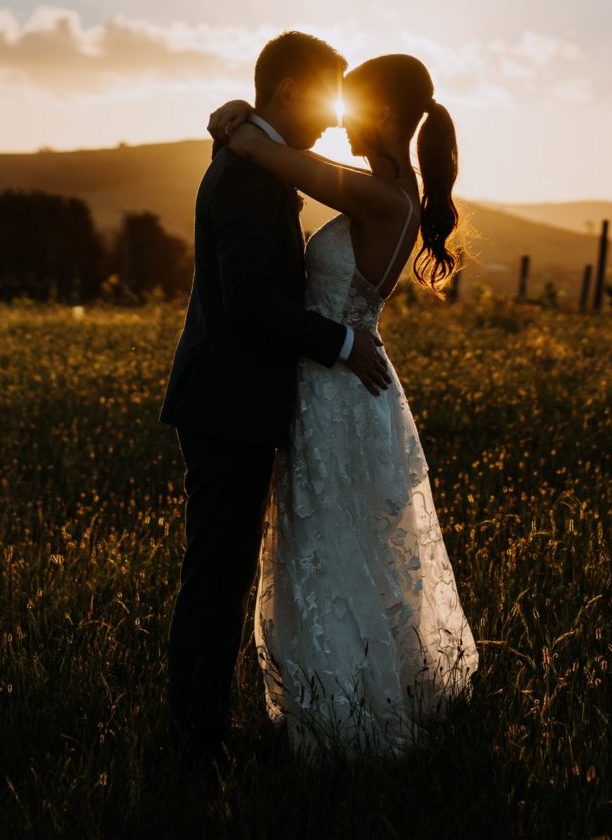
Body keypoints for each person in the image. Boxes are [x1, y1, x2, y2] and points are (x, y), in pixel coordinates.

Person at [205, 52, 479, 763]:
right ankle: (340, 698)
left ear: (383, 113)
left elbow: (266, 152)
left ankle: (347, 722)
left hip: (336, 389)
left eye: (349, 106)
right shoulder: (390, 190)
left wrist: (235, 119)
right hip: (343, 385)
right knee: (340, 543)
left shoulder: (380, 195)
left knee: (332, 544)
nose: (336, 121)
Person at [159, 31, 393, 772]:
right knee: (215, 579)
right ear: (289, 89)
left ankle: (199, 732)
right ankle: (193, 747)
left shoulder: (250, 159)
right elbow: (254, 300)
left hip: (236, 398)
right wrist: (344, 344)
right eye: (324, 98)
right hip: (226, 402)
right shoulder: (245, 175)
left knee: (220, 574)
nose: (330, 118)